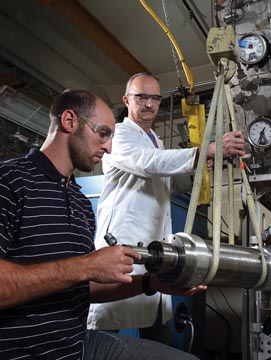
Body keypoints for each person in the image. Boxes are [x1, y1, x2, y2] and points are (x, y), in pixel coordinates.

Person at [0, 88, 206, 360]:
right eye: (103, 133)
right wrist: (87, 265)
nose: (109, 147)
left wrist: (150, 283)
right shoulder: (10, 181)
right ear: (70, 121)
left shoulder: (79, 202)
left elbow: (80, 288)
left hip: (80, 345)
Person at [87, 73, 245, 343]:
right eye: (141, 97)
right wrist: (202, 151)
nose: (149, 104)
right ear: (127, 100)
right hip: (123, 239)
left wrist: (196, 171)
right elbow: (145, 162)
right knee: (106, 325)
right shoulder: (119, 133)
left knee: (154, 319)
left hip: (154, 243)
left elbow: (165, 184)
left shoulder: (155, 141)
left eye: (155, 98)